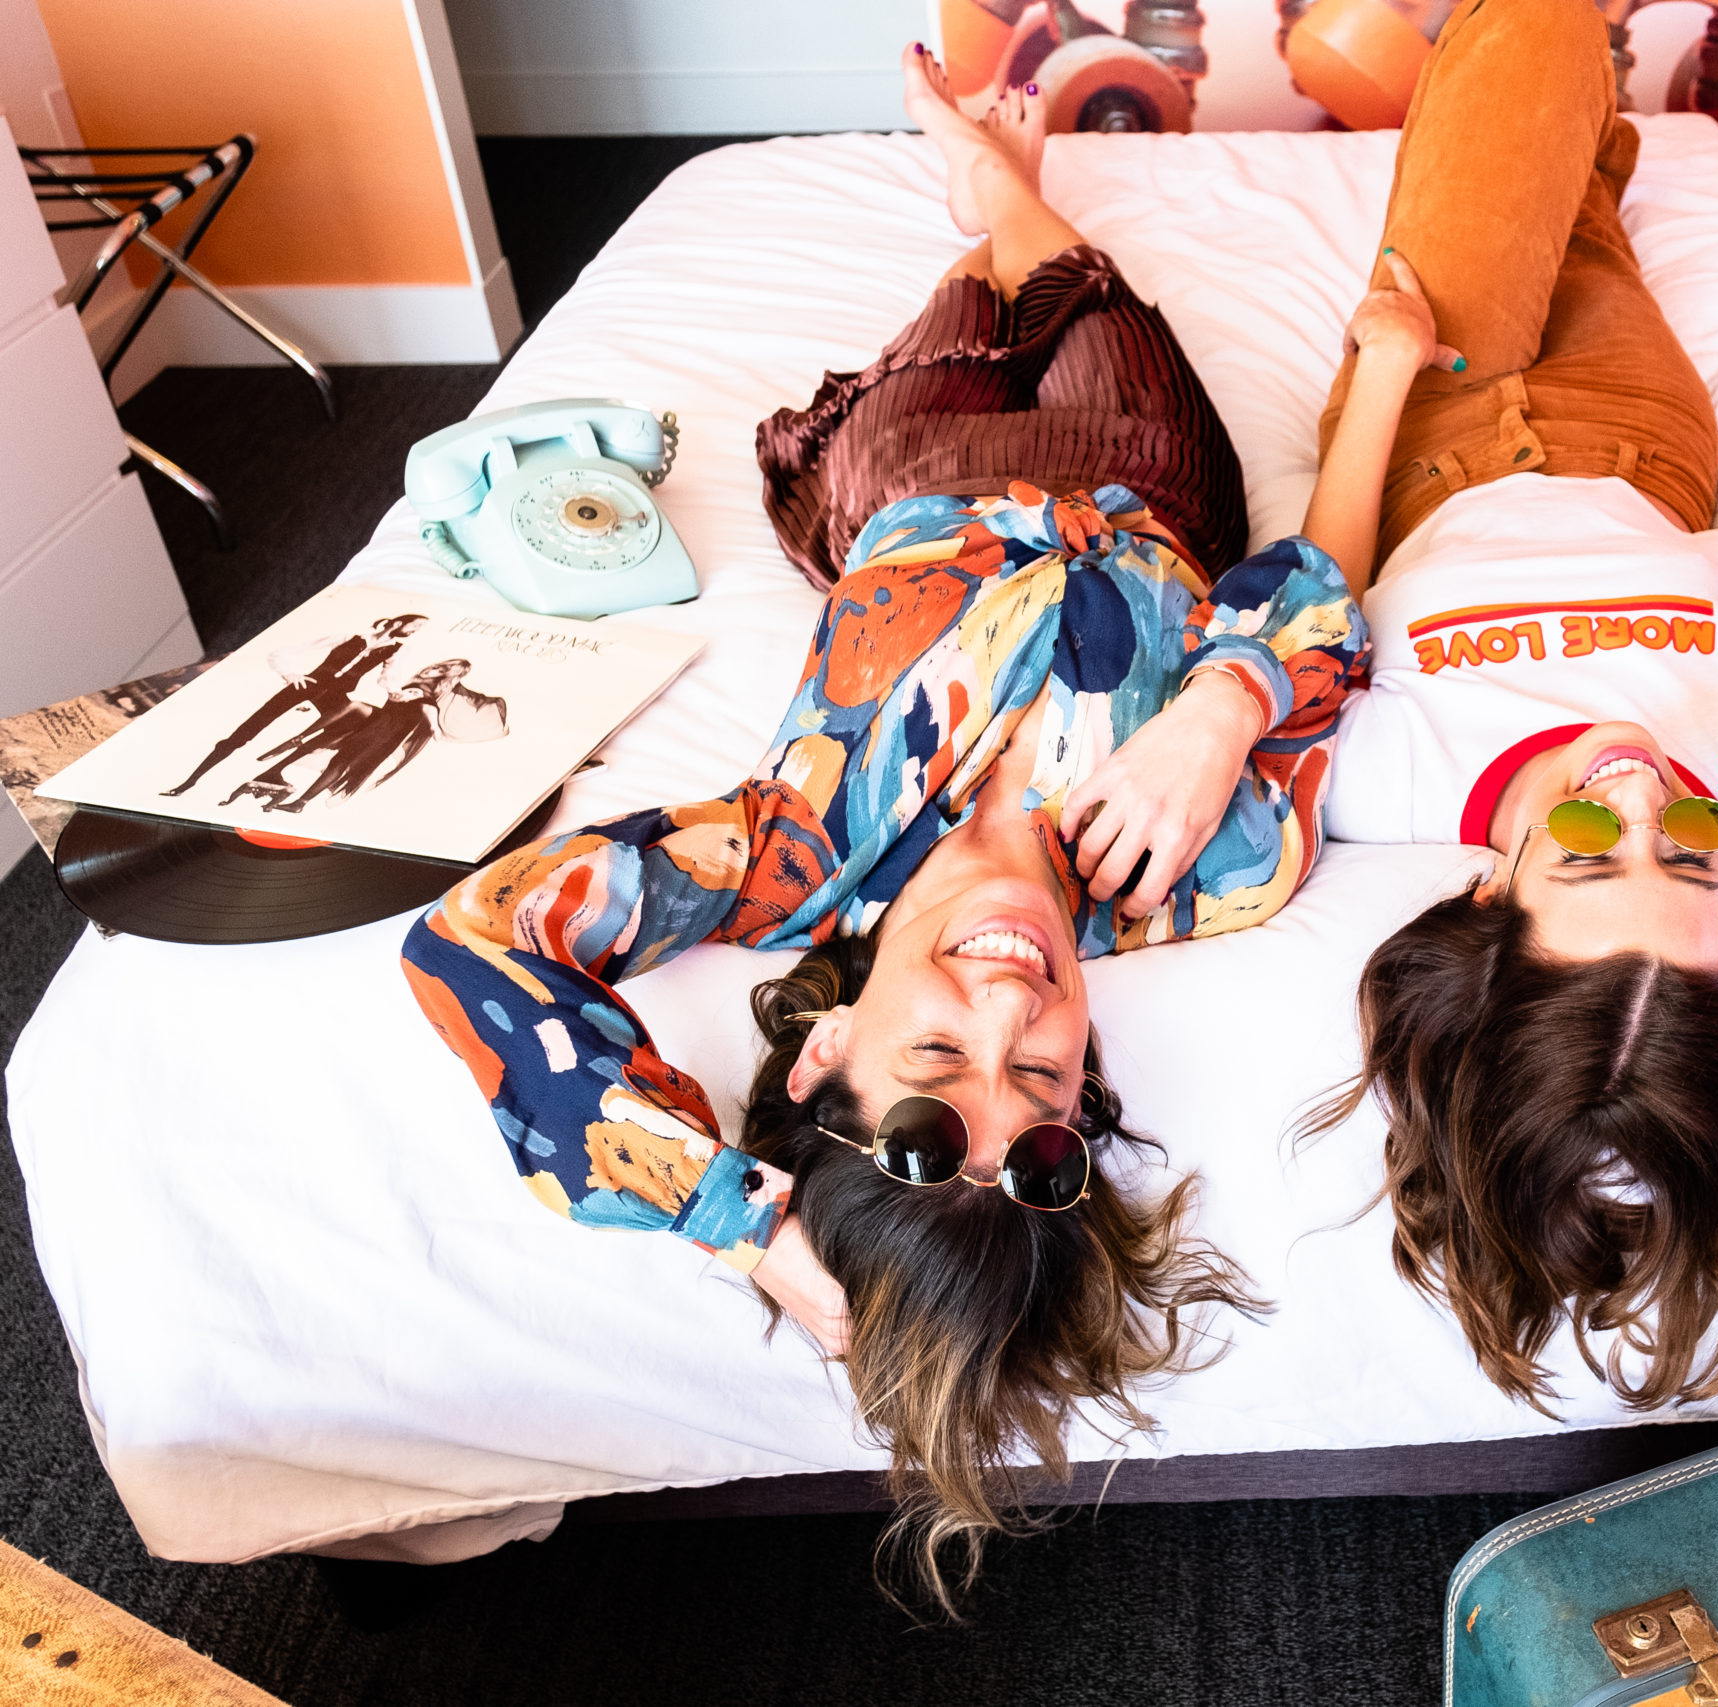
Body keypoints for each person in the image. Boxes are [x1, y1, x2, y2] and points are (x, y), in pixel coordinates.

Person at [403, 60, 1390, 1609]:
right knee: (1078, 274)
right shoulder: (1224, 858)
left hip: (906, 488)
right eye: (1047, 1083)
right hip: (1148, 487)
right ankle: (1009, 187)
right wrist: (1222, 704)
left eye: (935, 1069)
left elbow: (475, 941)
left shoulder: (783, 857)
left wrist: (738, 1216)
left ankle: (969, 186)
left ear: (820, 1053)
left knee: (970, 304)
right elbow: (1319, 592)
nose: (1011, 1007)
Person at [1308, 0, 1718, 1415]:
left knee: (1538, 27)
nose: (1638, 786)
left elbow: (1316, 585)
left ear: (1487, 885)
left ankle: (1505, 70)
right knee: (1579, 204)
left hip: (1436, 424)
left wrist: (1382, 373)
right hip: (1643, 430)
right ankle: (1551, 125)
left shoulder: (1377, 784)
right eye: (1687, 849)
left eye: (1583, 838)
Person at [162, 612, 425, 797]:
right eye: (415, 627)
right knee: (246, 731)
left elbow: (388, 678)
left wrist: (396, 692)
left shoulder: (396, 649)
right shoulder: (351, 636)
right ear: (400, 622)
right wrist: (290, 673)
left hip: (335, 696)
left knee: (357, 723)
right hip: (308, 684)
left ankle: (276, 773)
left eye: (418, 631)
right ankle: (188, 783)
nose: (415, 632)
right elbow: (286, 651)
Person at [228, 658, 508, 813]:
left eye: (444, 669)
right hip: (382, 722)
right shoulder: (419, 677)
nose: (436, 668)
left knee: (348, 764)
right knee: (341, 757)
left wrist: (431, 723)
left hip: (390, 731)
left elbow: (427, 707)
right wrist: (395, 692)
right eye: (439, 665)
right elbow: (401, 692)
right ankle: (298, 797)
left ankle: (300, 799)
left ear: (450, 673)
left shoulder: (431, 694)